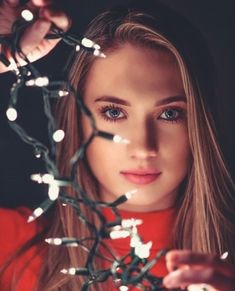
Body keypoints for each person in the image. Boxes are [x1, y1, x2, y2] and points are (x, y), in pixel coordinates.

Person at [0, 0, 234, 290]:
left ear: (199, 125)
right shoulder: (12, 250)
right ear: (77, 120)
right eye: (114, 112)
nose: (143, 147)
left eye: (170, 114)